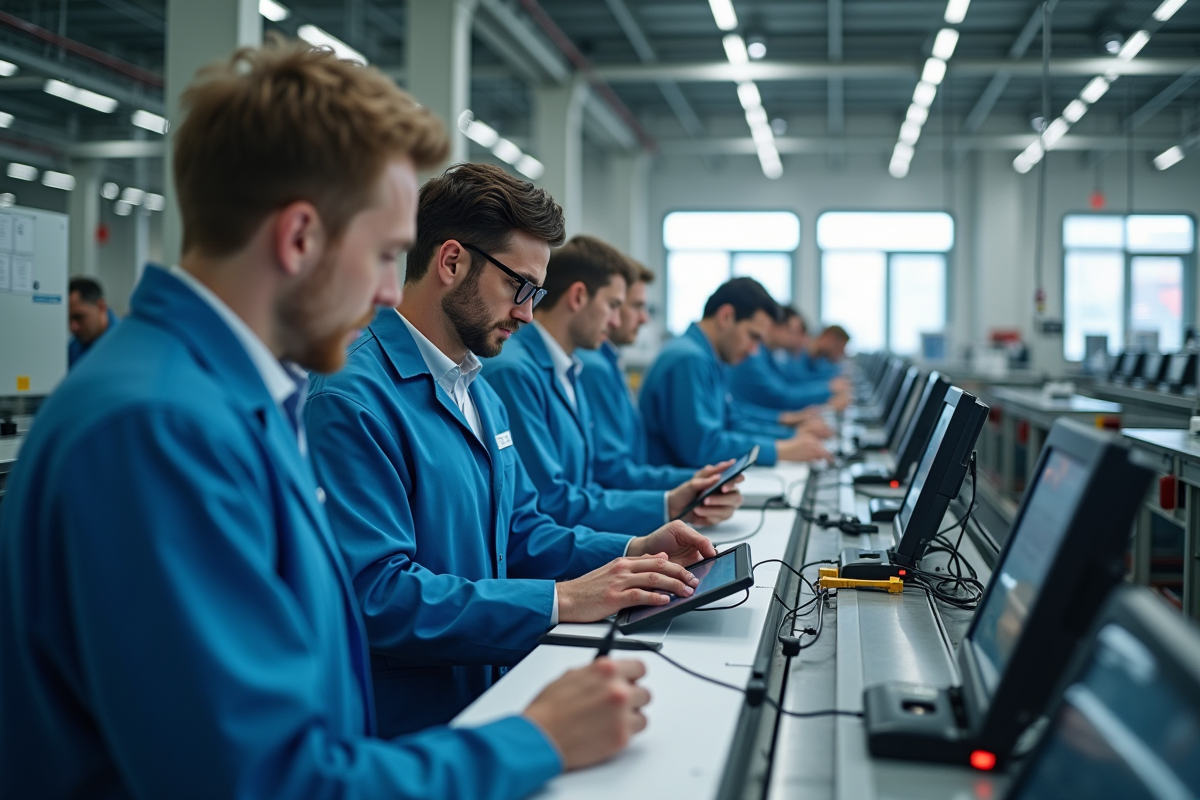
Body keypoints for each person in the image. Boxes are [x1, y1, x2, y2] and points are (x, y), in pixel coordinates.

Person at [0, 39, 655, 800]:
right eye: (384, 254)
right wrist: (531, 741)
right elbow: (262, 781)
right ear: (300, 237)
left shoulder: (233, 399)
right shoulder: (157, 429)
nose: (389, 292)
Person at [305, 163, 716, 738]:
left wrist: (631, 547)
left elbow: (520, 529)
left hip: (490, 688)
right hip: (413, 727)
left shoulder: (475, 386)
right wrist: (559, 600)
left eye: (536, 293)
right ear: (451, 262)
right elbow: (376, 595)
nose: (527, 312)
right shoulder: (353, 398)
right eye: (519, 287)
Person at [483, 234, 742, 533]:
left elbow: (589, 483)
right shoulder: (514, 373)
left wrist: (675, 497)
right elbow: (550, 502)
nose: (617, 322)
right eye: (613, 305)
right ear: (578, 297)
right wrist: (662, 510)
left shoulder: (569, 366)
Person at [639, 277, 833, 468]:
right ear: (726, 317)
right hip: (678, 488)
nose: (754, 351)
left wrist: (790, 436)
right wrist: (779, 450)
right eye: (753, 336)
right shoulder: (689, 360)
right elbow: (703, 447)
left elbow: (734, 422)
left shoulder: (710, 357)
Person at [575, 258, 696, 489]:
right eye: (636, 306)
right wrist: (689, 482)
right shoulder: (593, 367)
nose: (644, 318)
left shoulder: (607, 360)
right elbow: (612, 472)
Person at [730, 306, 851, 421]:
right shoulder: (753, 356)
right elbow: (783, 396)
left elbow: (791, 384)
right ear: (774, 327)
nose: (798, 338)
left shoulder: (770, 355)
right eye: (793, 332)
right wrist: (828, 393)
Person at [67, 275, 119, 367]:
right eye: (68, 319)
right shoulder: (73, 347)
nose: (73, 327)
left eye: (79, 317)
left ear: (101, 306)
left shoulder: (128, 345)